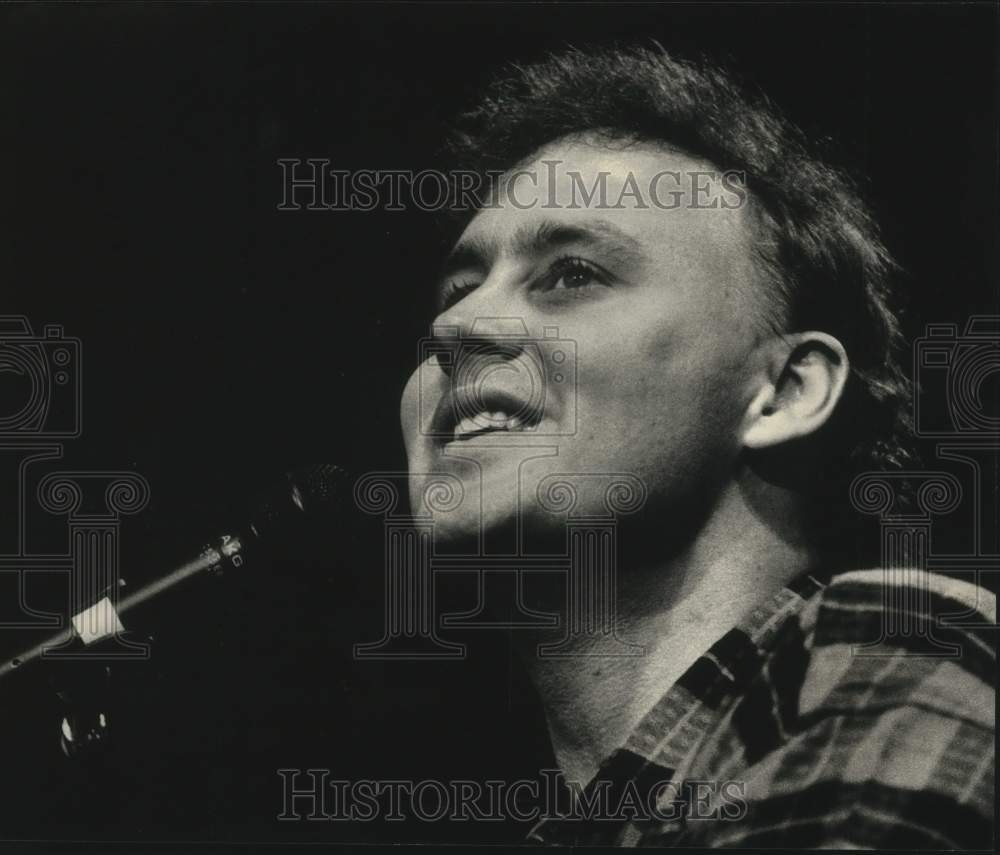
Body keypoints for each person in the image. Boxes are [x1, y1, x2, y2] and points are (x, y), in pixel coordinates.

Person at [398, 43, 994, 848]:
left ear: (784, 392)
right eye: (461, 288)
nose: (456, 326)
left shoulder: (894, 642)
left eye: (572, 273)